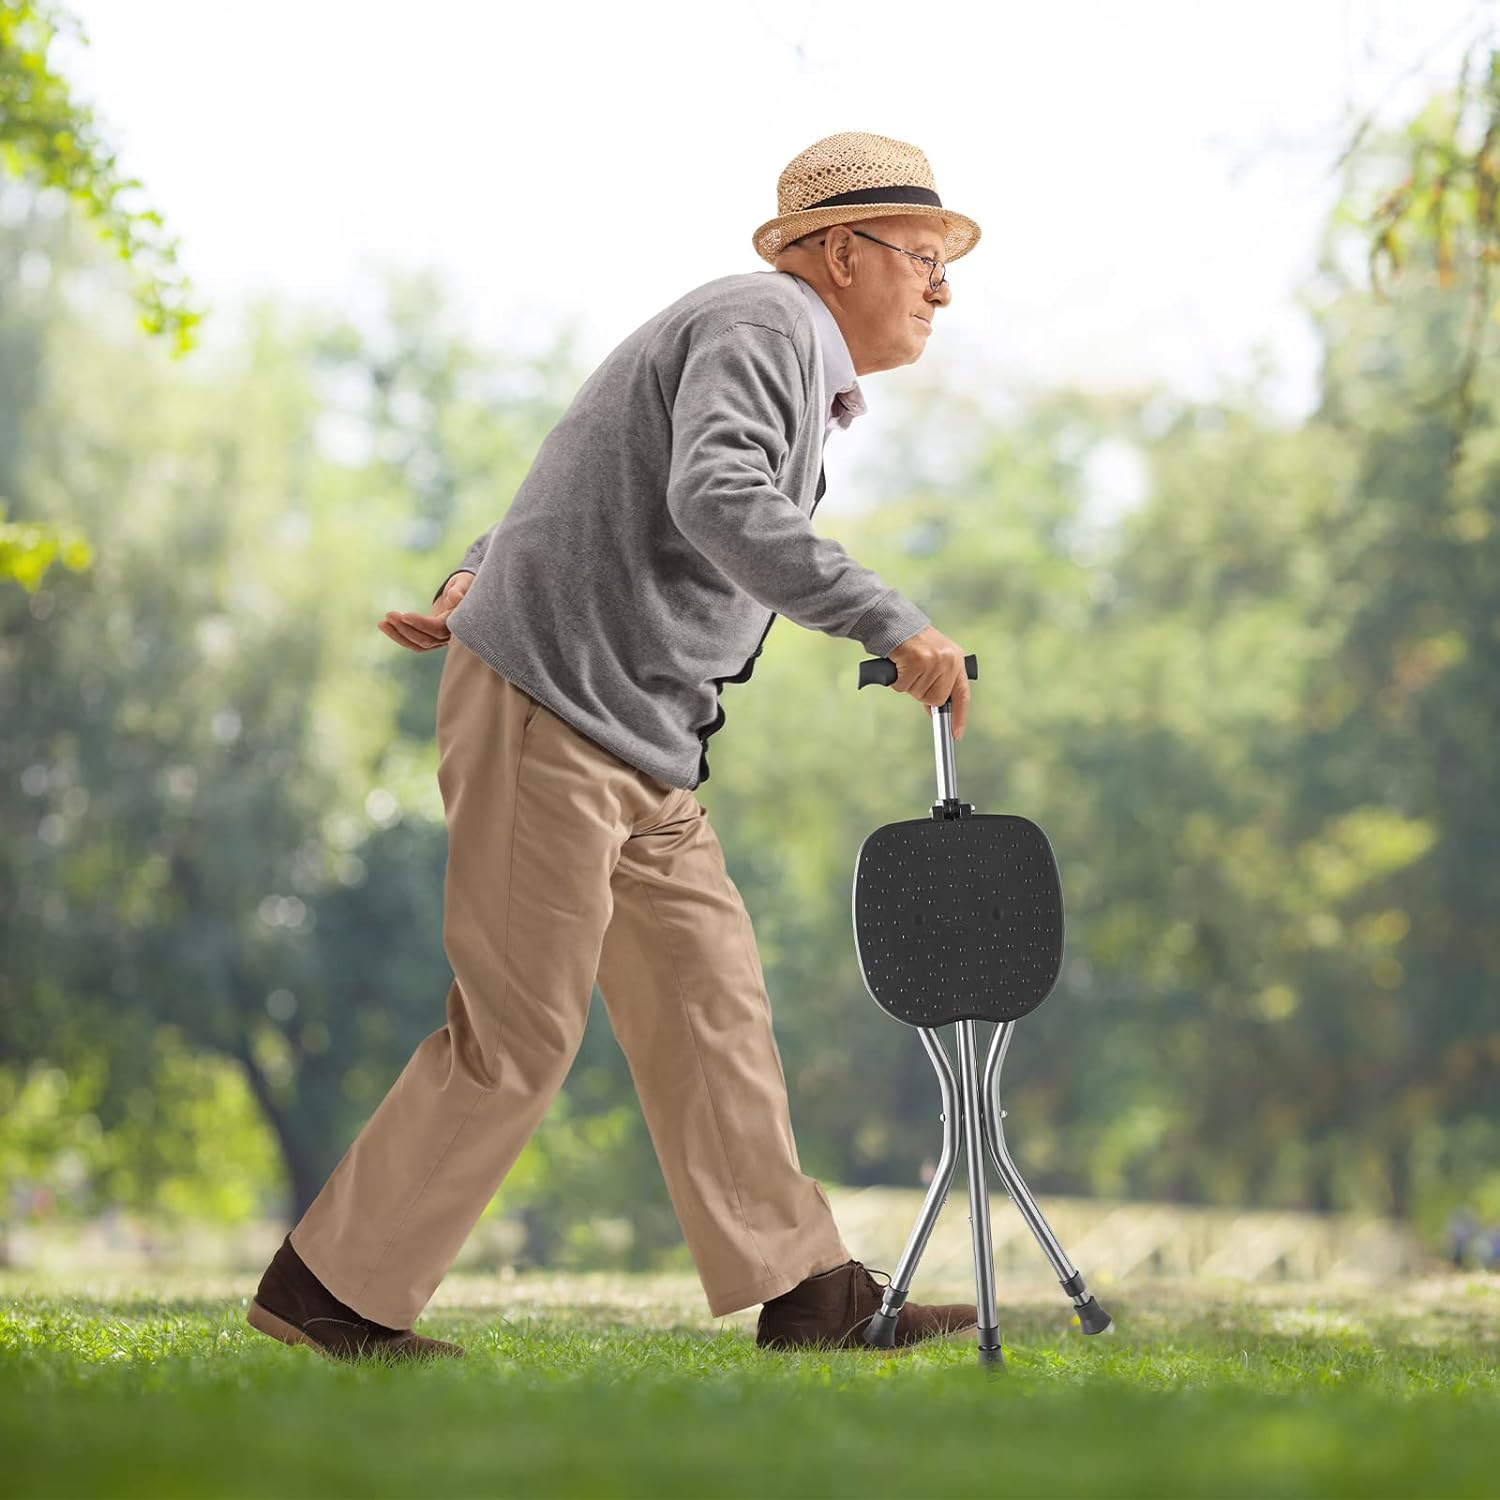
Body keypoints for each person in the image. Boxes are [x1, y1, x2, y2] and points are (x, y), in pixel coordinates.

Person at [247, 132, 981, 1363]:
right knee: (521, 1030)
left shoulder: (771, 347)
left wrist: (478, 566)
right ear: (840, 253)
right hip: (559, 714)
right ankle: (333, 1290)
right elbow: (715, 496)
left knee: (711, 1006)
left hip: (641, 742)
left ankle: (807, 1288)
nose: (942, 288)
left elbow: (602, 463)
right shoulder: (766, 323)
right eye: (923, 256)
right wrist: (890, 618)